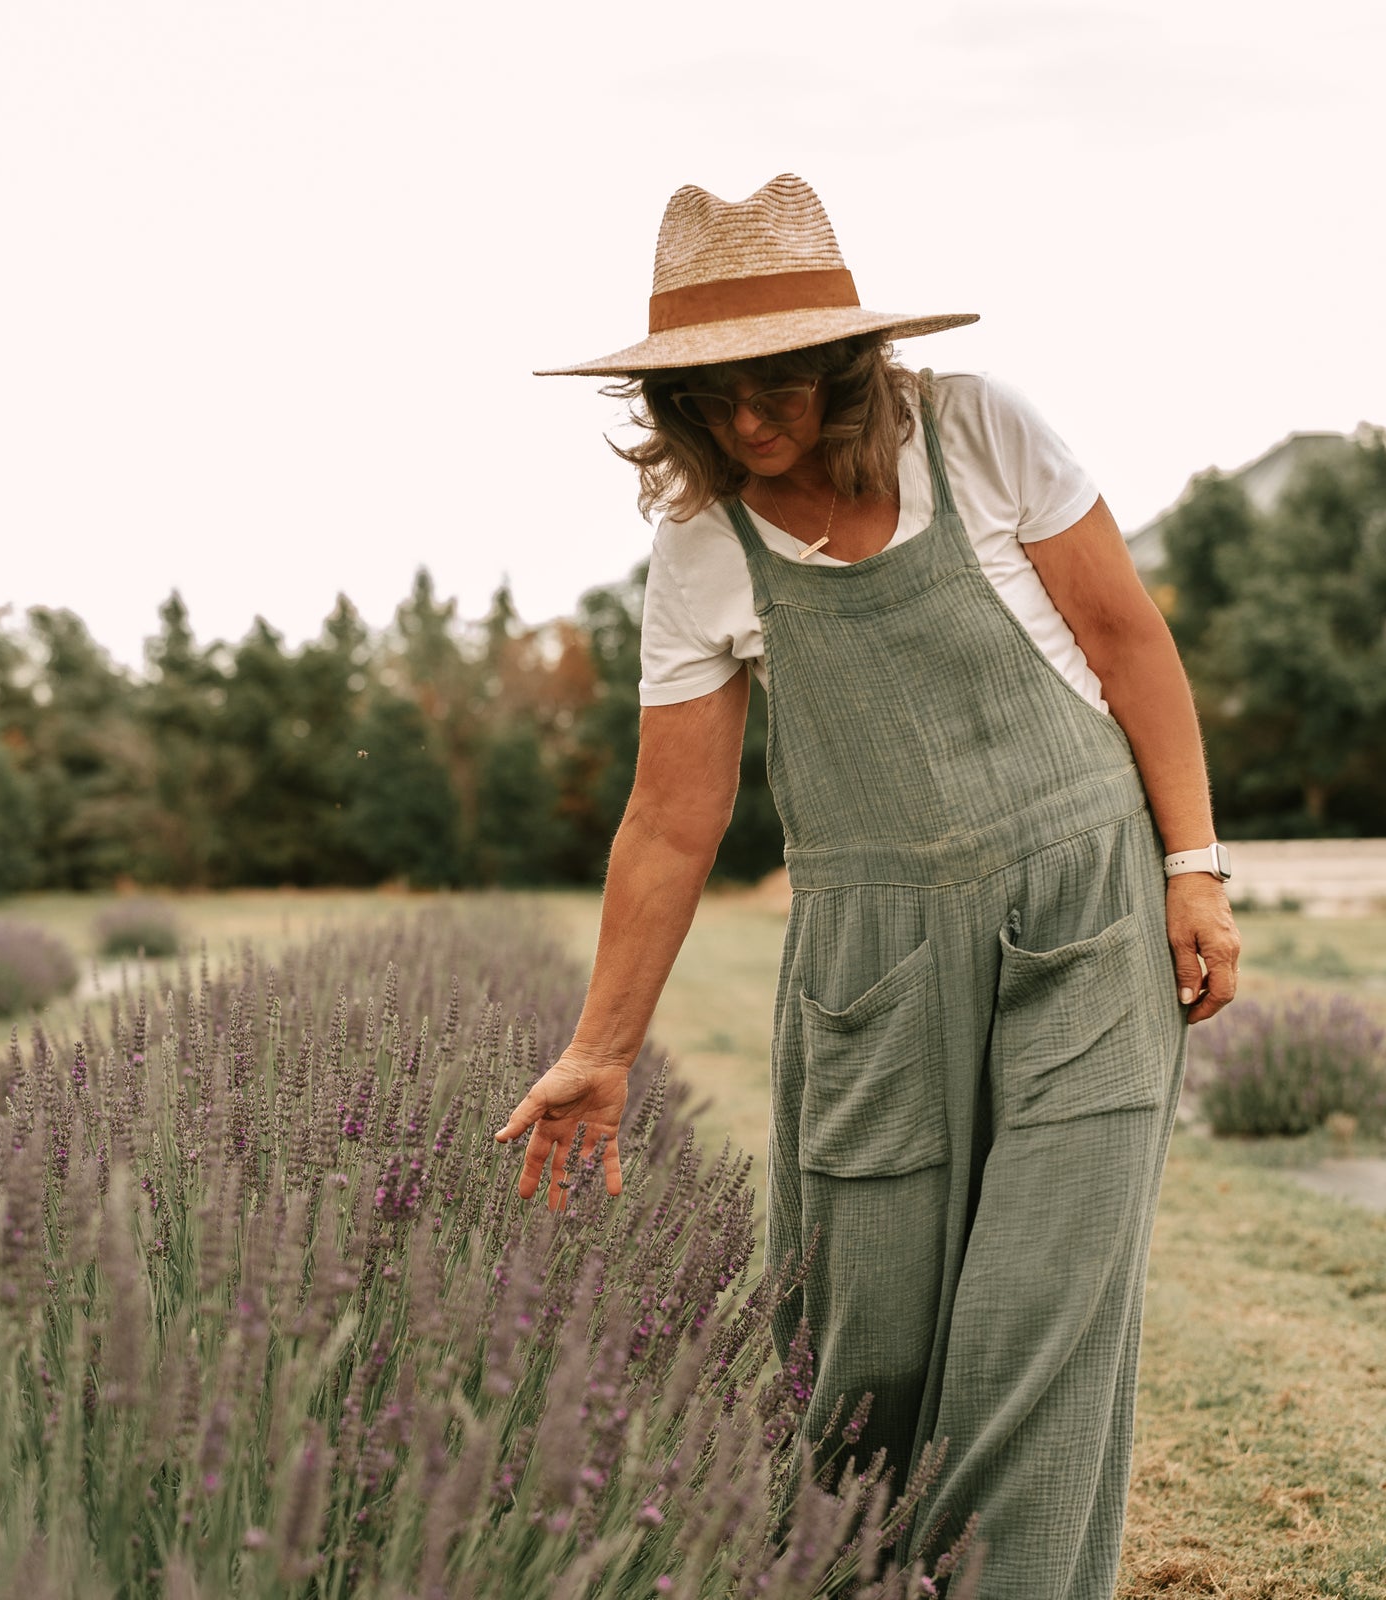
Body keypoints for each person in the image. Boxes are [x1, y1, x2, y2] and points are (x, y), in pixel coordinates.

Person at [495, 172, 1240, 1598]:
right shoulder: (701, 548)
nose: (746, 421)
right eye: (708, 396)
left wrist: (1192, 868)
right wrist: (602, 1048)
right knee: (862, 1356)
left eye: (775, 381)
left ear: (849, 360)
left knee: (1032, 1317)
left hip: (1084, 916)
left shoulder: (982, 432)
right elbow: (672, 818)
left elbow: (1128, 643)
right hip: (872, 962)